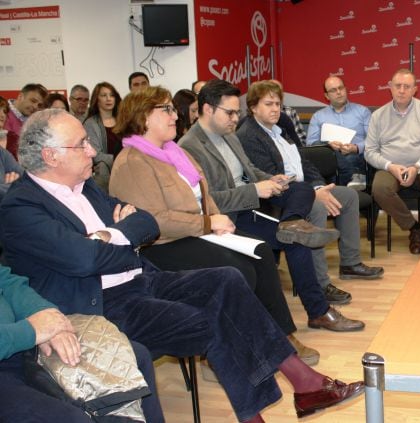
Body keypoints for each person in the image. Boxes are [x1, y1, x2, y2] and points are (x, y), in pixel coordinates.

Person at [0, 108, 365, 422]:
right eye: (80, 144)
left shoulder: (87, 186)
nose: (92, 150)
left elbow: (146, 223)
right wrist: (118, 235)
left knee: (227, 280)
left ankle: (299, 387)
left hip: (140, 279)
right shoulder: (21, 208)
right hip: (99, 305)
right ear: (49, 156)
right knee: (219, 321)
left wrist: (109, 236)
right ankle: (300, 386)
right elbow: (84, 260)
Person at [110, 86, 322, 365]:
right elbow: (154, 220)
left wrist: (216, 221)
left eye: (174, 109)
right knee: (238, 269)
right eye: (168, 110)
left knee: (260, 252)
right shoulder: (133, 162)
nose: (177, 115)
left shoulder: (173, 152)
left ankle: (280, 337)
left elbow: (203, 194)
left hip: (198, 231)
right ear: (144, 116)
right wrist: (209, 222)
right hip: (161, 245)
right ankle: (228, 352)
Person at [179, 79, 366, 329]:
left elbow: (249, 170)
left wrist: (270, 179)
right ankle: (306, 317)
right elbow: (209, 201)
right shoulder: (189, 147)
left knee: (300, 190)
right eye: (230, 112)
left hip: (250, 205)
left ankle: (293, 227)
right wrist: (256, 188)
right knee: (295, 239)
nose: (236, 118)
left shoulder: (228, 134)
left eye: (238, 112)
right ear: (208, 109)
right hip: (227, 219)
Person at [237, 81, 384, 301]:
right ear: (253, 107)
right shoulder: (249, 134)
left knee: (349, 196)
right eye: (269, 104)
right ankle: (320, 283)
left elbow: (304, 161)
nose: (275, 108)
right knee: (316, 206)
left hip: (304, 188)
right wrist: (313, 193)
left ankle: (350, 263)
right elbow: (272, 177)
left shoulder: (281, 128)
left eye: (278, 103)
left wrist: (318, 186)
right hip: (279, 196)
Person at [0, 265, 164, 422]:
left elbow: (7, 282)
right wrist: (32, 331)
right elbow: (84, 259)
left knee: (136, 356)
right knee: (73, 418)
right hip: (14, 347)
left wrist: (48, 317)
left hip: (22, 341)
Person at [364, 68, 420, 254]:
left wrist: (416, 167)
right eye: (398, 86)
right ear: (390, 87)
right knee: (379, 188)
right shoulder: (378, 116)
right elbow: (369, 151)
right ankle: (413, 228)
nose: (402, 90)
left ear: (414, 90)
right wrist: (390, 166)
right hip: (391, 168)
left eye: (407, 87)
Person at [306, 76, 370, 189]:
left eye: (341, 88)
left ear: (346, 89)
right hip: (330, 158)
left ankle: (333, 188)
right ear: (326, 96)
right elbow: (310, 144)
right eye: (333, 90)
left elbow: (372, 140)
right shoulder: (318, 116)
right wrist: (328, 145)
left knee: (351, 158)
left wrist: (356, 147)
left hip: (356, 156)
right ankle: (353, 178)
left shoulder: (362, 112)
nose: (339, 92)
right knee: (327, 155)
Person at [84, 81, 122, 191]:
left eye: (112, 95)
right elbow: (96, 155)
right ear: (97, 99)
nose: (108, 99)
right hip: (105, 176)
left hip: (126, 171)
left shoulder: (123, 121)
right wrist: (118, 160)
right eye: (104, 95)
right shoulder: (90, 123)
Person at [3, 83, 47, 159]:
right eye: (33, 101)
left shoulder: (34, 121)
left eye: (39, 105)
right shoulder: (3, 112)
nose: (35, 107)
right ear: (20, 97)